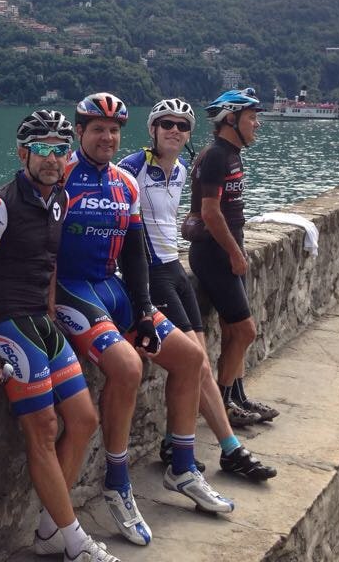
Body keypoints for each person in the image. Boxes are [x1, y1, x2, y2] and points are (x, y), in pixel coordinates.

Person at [54, 92, 234, 549]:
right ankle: (117, 482)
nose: (107, 137)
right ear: (80, 133)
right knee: (129, 368)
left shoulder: (124, 183)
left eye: (114, 130)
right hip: (70, 291)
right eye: (97, 129)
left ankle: (182, 467)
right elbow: (39, 247)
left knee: (191, 357)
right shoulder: (60, 178)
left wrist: (143, 310)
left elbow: (134, 252)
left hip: (112, 288)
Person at [0, 110, 120, 562]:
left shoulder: (59, 199)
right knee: (44, 429)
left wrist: (50, 311)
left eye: (61, 149)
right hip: (6, 323)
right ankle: (75, 541)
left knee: (84, 420)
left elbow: (49, 264)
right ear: (23, 152)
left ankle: (50, 529)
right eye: (43, 148)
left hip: (41, 324)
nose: (53, 157)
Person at [119, 98, 276, 481]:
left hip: (176, 268)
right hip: (151, 275)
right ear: (152, 129)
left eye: (183, 126)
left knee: (198, 362)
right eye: (167, 123)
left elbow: (189, 215)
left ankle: (175, 443)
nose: (175, 130)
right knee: (198, 363)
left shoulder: (182, 170)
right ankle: (230, 450)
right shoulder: (130, 169)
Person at [182, 88, 280, 429]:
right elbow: (210, 213)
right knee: (246, 331)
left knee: (231, 329)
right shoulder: (216, 157)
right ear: (230, 120)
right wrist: (235, 254)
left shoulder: (232, 155)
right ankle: (223, 405)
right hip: (214, 255)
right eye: (251, 118)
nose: (257, 124)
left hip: (224, 252)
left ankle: (237, 395)